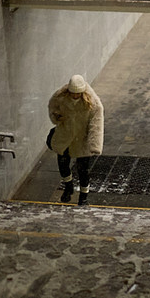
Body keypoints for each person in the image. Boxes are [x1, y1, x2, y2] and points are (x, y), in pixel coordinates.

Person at [48, 74, 104, 206]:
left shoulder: (93, 104)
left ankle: (83, 197)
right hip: (65, 137)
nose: (75, 96)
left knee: (83, 170)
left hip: (82, 140)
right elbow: (52, 107)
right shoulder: (60, 97)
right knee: (63, 165)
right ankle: (68, 187)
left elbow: (97, 125)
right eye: (73, 93)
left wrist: (94, 145)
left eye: (78, 94)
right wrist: (56, 117)